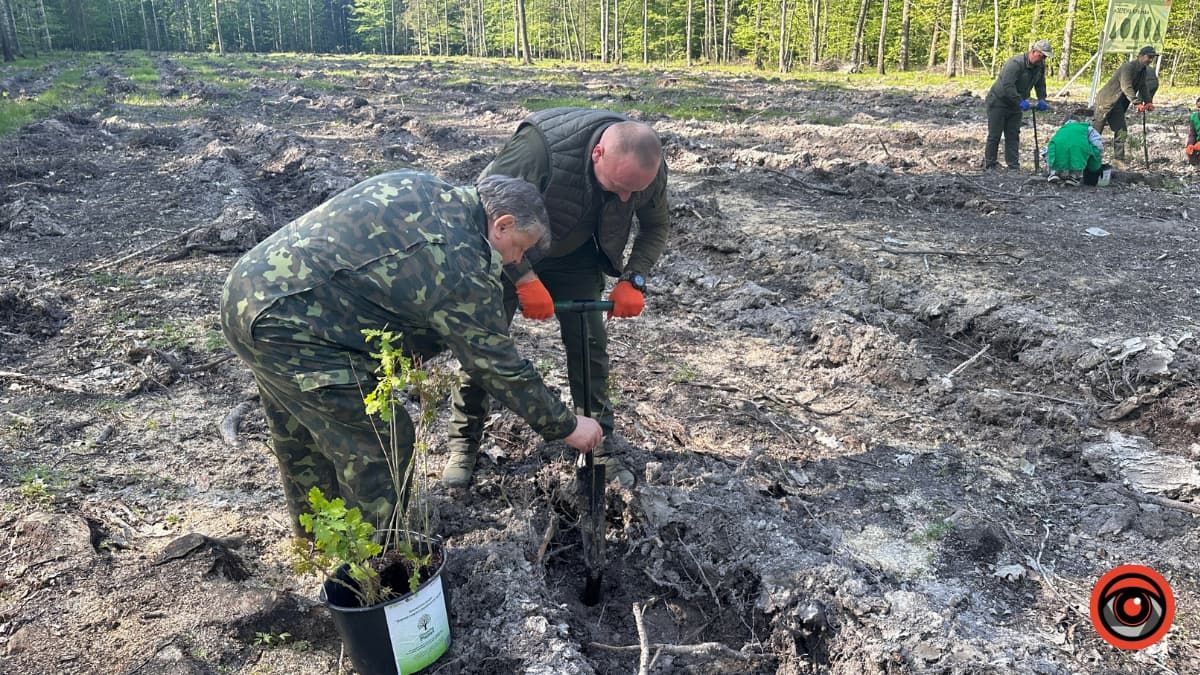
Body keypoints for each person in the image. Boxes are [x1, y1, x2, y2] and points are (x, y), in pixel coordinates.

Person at [220, 170, 604, 533]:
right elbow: (497, 365)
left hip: (249, 294)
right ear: (501, 224)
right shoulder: (461, 264)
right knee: (379, 440)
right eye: (520, 248)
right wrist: (566, 426)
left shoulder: (427, 188)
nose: (517, 262)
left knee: (301, 431)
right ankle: (374, 561)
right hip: (293, 329)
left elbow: (388, 276)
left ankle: (318, 540)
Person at [443, 108, 669, 489]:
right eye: (618, 185)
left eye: (634, 191)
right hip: (513, 249)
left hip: (577, 254)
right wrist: (523, 278)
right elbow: (483, 207)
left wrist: (635, 278)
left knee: (589, 346)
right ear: (598, 153)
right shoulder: (540, 147)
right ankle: (463, 444)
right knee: (484, 344)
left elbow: (657, 225)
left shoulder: (645, 167)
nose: (626, 196)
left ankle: (598, 442)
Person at [984, 40, 1052, 171]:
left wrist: (1042, 98)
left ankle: (1013, 166)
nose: (1043, 59)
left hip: (1015, 105)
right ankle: (990, 164)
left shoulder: (1040, 67)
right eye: (1041, 55)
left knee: (1013, 134)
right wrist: (1019, 101)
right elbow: (1007, 85)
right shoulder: (1015, 64)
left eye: (1045, 57)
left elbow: (1040, 84)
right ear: (1033, 52)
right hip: (999, 101)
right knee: (995, 134)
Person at [1092, 46, 1159, 162]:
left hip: (1118, 104)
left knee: (1121, 131)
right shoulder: (1128, 67)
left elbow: (1143, 86)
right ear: (1141, 56)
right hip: (1106, 101)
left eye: (1152, 58)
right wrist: (1136, 102)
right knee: (1095, 132)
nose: (1150, 60)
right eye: (1149, 57)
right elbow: (1126, 86)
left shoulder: (1143, 70)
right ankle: (1088, 156)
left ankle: (1119, 160)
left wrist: (1148, 102)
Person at [1046, 110, 1103, 186]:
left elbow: (1054, 141)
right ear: (1079, 121)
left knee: (1058, 154)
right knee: (1078, 155)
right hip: (1078, 148)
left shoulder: (1062, 129)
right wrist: (1097, 154)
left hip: (1055, 147)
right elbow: (1097, 144)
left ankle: (1054, 173)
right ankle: (1074, 176)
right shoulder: (1086, 127)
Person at [1185, 96, 1200, 172]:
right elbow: (1192, 134)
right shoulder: (1194, 117)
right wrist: (1190, 144)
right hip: (1198, 145)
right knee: (1191, 153)